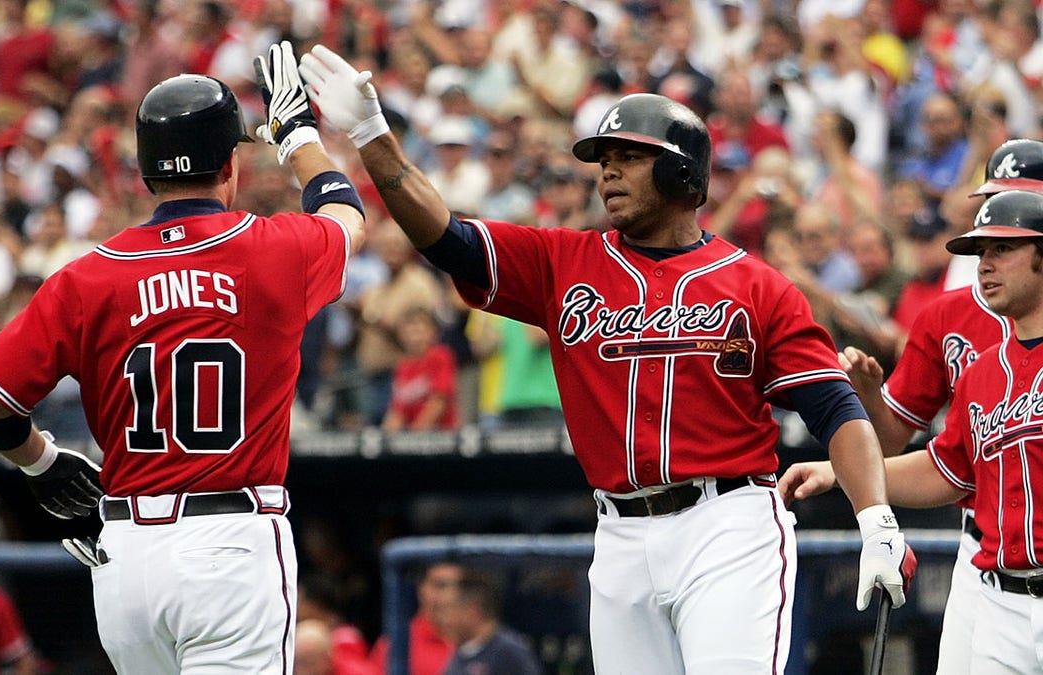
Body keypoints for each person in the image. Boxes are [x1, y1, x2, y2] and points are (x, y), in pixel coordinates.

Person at [298, 47, 915, 673]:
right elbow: (445, 237)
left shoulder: (757, 285)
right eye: (604, 160)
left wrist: (876, 518)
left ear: (682, 174)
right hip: (618, 532)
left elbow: (835, 407)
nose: (608, 173)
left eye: (629, 157)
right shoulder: (563, 261)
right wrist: (373, 136)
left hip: (727, 525)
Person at [0, 41, 367, 674]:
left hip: (125, 555)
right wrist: (296, 136)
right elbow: (346, 216)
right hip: (231, 543)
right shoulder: (272, 247)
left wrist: (42, 465)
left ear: (146, 173)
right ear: (230, 164)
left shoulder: (88, 276)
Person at [780, 189, 1043, 674]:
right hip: (1000, 600)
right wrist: (843, 470)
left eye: (1002, 249)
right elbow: (947, 469)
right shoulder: (982, 372)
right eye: (980, 251)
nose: (985, 264)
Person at [436, 568, 542, 675]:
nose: (444, 621)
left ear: (472, 612)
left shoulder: (508, 651)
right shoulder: (460, 652)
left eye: (448, 612)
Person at [369, 561, 460, 675]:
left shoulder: (483, 639)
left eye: (459, 587)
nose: (449, 596)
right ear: (421, 588)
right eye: (440, 585)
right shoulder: (396, 643)